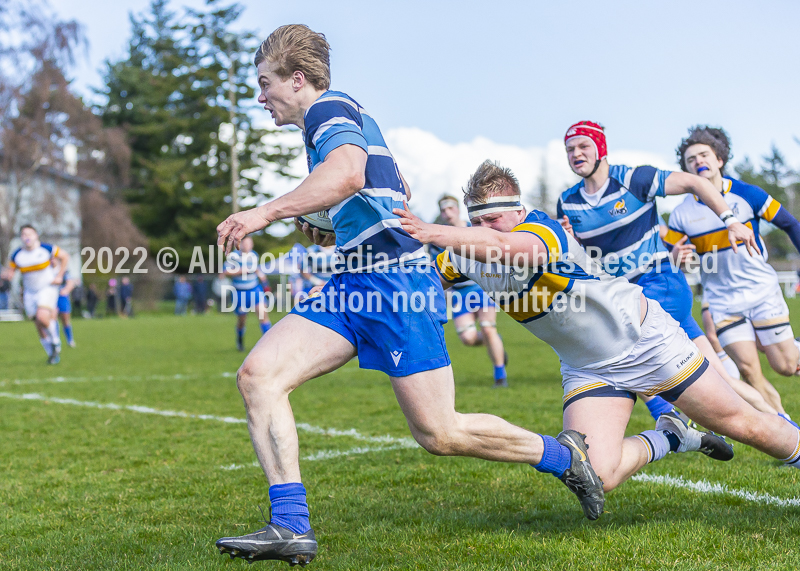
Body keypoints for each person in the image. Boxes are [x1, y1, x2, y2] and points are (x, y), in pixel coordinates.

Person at [213, 25, 604, 566]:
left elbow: (348, 175)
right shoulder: (342, 123)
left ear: (297, 79)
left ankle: (564, 455)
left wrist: (266, 211)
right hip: (352, 283)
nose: (261, 97)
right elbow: (383, 190)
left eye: (265, 83)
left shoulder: (330, 110)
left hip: (396, 284)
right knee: (259, 376)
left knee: (440, 433)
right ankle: (290, 525)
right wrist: (330, 226)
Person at [395, 160, 800, 509]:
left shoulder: (543, 231)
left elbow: (511, 248)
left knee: (744, 425)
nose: (482, 228)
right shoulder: (463, 253)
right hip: (587, 367)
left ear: (518, 211)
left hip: (644, 343)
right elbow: (420, 286)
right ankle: (673, 438)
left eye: (492, 219)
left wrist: (434, 232)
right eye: (476, 220)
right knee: (599, 472)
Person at [556, 121, 774, 416]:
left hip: (659, 283)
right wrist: (568, 241)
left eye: (584, 146)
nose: (576, 154)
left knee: (620, 348)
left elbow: (695, 183)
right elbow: (584, 258)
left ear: (601, 149)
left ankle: (669, 420)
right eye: (570, 149)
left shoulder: (634, 179)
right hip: (625, 292)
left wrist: (731, 221)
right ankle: (787, 429)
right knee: (721, 379)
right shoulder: (568, 202)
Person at [665, 125, 800, 416]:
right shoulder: (681, 213)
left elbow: (790, 224)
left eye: (704, 155)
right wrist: (674, 254)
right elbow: (668, 255)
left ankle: (793, 348)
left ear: (719, 160)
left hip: (761, 292)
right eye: (691, 159)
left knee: (786, 367)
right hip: (723, 300)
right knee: (750, 371)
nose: (698, 161)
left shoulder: (747, 194)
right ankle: (790, 433)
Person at [431, 194, 508, 387]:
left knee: (487, 327)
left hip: (481, 288)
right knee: (468, 338)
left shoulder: (473, 229)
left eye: (450, 208)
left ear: (457, 209)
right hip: (459, 294)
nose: (447, 213)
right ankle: (494, 343)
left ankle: (500, 376)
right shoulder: (438, 239)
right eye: (443, 210)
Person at [4, 225, 69, 364]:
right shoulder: (17, 255)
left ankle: (56, 341)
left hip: (47, 288)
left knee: (42, 316)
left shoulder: (46, 249)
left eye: (30, 234)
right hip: (29, 292)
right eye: (24, 234)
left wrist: (60, 275)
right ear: (21, 237)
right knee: (38, 324)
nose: (27, 237)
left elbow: (65, 256)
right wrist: (7, 276)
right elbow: (10, 272)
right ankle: (52, 354)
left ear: (36, 235)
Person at [223, 236, 273, 352]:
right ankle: (240, 339)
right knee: (242, 320)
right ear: (240, 244)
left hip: (255, 289)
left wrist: (261, 276)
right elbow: (225, 272)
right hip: (240, 292)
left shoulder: (254, 255)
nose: (248, 246)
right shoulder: (233, 256)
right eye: (245, 244)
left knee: (263, 315)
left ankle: (269, 342)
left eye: (250, 244)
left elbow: (255, 269)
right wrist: (241, 271)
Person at [57, 271, 78, 347]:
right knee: (53, 319)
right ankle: (56, 341)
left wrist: (65, 291)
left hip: (62, 297)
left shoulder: (64, 271)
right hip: (51, 296)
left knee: (65, 319)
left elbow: (70, 283)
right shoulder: (48, 269)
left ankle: (70, 340)